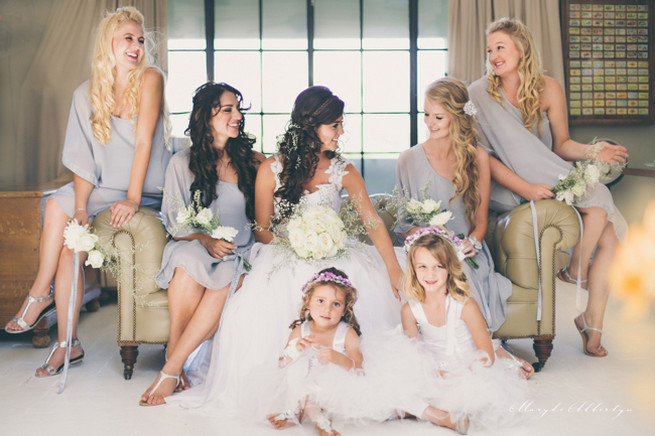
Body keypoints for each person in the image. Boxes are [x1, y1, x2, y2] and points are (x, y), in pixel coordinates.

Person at [166, 86, 403, 409]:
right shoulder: (271, 169)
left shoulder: (343, 170)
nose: (341, 132)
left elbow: (373, 223)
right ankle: (290, 388)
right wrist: (295, 244)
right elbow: (262, 229)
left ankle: (342, 377)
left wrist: (393, 270)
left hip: (335, 253)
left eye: (340, 124)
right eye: (334, 125)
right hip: (282, 251)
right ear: (310, 127)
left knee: (354, 283)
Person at [4, 7, 170, 377]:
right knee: (67, 235)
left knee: (58, 211)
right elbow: (82, 158)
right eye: (128, 38)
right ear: (108, 43)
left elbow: (143, 143)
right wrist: (81, 207)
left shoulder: (151, 79)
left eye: (141, 40)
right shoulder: (86, 93)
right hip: (100, 187)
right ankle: (68, 344)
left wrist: (131, 197)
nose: (136, 46)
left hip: (142, 187)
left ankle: (37, 297)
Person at [468, 17, 629, 357]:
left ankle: (590, 318)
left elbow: (562, 145)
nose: (494, 56)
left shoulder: (549, 88)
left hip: (550, 173)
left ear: (522, 48)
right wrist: (525, 187)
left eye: (501, 47)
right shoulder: (479, 93)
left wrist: (593, 150)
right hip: (506, 184)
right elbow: (483, 157)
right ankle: (576, 276)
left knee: (610, 236)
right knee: (599, 202)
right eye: (489, 50)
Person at [139, 82, 264, 406]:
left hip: (242, 248)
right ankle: (174, 356)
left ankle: (171, 368)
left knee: (227, 277)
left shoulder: (253, 163)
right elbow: (175, 218)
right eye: (228, 109)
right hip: (196, 242)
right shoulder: (182, 162)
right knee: (186, 261)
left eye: (238, 109)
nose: (237, 115)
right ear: (204, 116)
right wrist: (204, 239)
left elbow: (269, 212)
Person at [395, 77, 513, 334]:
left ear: (457, 117)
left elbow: (481, 222)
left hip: (464, 250)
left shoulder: (478, 157)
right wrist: (429, 237)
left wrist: (472, 243)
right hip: (424, 252)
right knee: (434, 270)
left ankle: (473, 349)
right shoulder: (407, 160)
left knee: (457, 272)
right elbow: (403, 225)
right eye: (426, 114)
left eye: (438, 117)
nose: (429, 123)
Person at [400, 229, 528, 434]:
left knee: (470, 400)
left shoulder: (466, 306)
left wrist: (455, 374)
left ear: (450, 268)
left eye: (438, 267)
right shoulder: (410, 311)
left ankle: (428, 412)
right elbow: (413, 354)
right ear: (413, 269)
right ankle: (444, 418)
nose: (430, 274)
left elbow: (486, 355)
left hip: (468, 370)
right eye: (422, 267)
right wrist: (430, 373)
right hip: (434, 372)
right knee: (390, 391)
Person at [266, 268, 363, 436]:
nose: (327, 309)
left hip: (336, 391)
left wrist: (339, 358)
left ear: (345, 309)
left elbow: (359, 368)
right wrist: (296, 349)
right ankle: (318, 421)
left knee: (307, 382)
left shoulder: (347, 333)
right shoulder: (300, 330)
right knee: (297, 370)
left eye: (336, 304)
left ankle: (305, 414)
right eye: (321, 301)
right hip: (305, 388)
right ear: (307, 302)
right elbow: (281, 363)